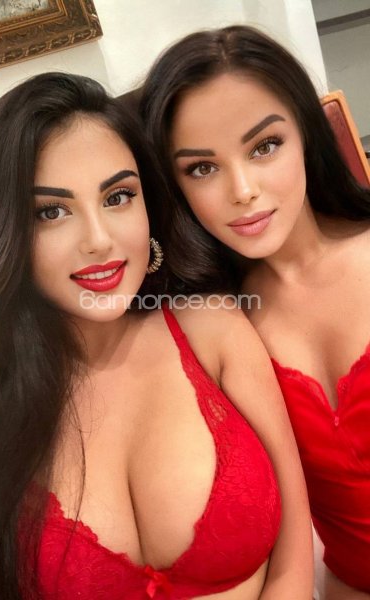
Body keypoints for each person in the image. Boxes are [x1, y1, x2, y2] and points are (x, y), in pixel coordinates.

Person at [0, 72, 311, 600]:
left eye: (118, 196)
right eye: (51, 211)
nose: (99, 240)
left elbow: (294, 555)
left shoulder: (214, 329)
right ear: (6, 232)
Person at [140, 24, 370, 600]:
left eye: (264, 146)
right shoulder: (210, 324)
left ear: (307, 135)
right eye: (202, 168)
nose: (242, 189)